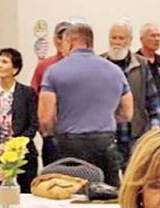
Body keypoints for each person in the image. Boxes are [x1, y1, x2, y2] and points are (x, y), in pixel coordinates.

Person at [39, 23, 132, 188]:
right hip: (105, 143)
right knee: (109, 195)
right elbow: (127, 112)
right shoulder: (115, 71)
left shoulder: (54, 72)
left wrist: (53, 133)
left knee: (69, 194)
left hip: (69, 145)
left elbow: (45, 117)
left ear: (70, 42)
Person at [104, 20, 160, 165]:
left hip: (134, 135)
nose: (117, 42)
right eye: (113, 38)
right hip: (106, 135)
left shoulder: (141, 65)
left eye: (121, 38)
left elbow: (153, 99)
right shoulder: (100, 64)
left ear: (129, 41)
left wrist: (155, 124)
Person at [0, 47, 38, 193]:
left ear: (15, 69)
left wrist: (17, 144)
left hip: (23, 154)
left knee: (25, 194)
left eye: (4, 62)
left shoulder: (27, 93)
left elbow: (33, 124)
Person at [30, 21, 72, 166]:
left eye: (67, 37)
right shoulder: (44, 66)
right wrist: (42, 129)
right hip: (52, 134)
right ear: (54, 40)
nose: (63, 41)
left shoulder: (81, 65)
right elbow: (33, 97)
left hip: (76, 135)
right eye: (60, 37)